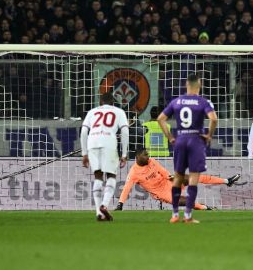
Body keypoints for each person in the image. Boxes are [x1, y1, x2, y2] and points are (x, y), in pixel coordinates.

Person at [157, 74, 217, 224]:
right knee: (193, 178)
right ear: (200, 84)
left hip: (180, 139)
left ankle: (175, 214)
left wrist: (170, 137)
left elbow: (160, 119)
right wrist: (209, 135)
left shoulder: (176, 101)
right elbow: (214, 118)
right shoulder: (203, 101)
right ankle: (188, 216)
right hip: (195, 139)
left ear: (186, 84)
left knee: (177, 177)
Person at [115, 147, 241, 210]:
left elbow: (162, 170)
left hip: (168, 182)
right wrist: (120, 204)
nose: (148, 157)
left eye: (148, 154)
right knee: (182, 201)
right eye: (145, 155)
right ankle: (205, 208)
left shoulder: (151, 161)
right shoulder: (134, 173)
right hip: (161, 192)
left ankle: (226, 181)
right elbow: (126, 188)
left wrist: (169, 176)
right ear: (138, 157)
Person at [81, 92, 129, 221]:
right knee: (111, 175)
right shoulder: (119, 112)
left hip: (92, 142)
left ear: (100, 102)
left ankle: (98, 212)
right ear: (113, 102)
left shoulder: (92, 112)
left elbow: (84, 131)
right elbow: (125, 131)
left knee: (98, 176)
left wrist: (84, 153)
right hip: (108, 142)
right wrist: (124, 154)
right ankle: (104, 205)